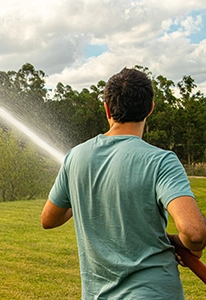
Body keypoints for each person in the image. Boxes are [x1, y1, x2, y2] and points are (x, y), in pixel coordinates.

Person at [41, 68, 206, 299]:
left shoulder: (75, 157)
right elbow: (194, 232)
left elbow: (49, 219)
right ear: (150, 108)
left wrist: (85, 192)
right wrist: (188, 246)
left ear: (107, 108)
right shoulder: (161, 161)